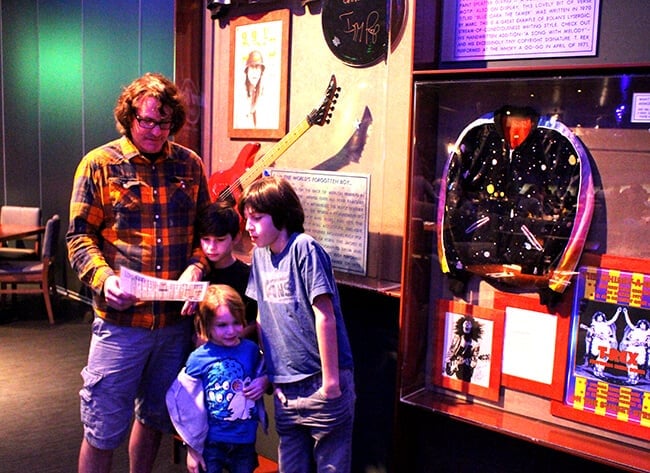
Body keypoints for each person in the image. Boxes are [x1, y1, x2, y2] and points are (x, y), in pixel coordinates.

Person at [66, 72, 212, 473]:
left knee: (153, 419)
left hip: (173, 324)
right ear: (129, 117)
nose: (155, 131)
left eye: (164, 123)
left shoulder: (189, 164)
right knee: (102, 428)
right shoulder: (98, 164)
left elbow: (207, 233)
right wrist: (104, 279)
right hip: (120, 324)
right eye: (146, 121)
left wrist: (197, 266)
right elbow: (79, 237)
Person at [237, 175, 356, 473]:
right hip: (286, 388)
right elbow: (262, 316)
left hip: (320, 380)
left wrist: (331, 383)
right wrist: (271, 374)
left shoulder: (305, 248)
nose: (249, 226)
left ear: (280, 215)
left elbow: (324, 315)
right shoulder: (259, 256)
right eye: (247, 218)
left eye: (257, 218)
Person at [166, 284, 268, 473]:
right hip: (211, 442)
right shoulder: (198, 358)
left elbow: (265, 372)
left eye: (236, 323)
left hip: (245, 441)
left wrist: (264, 381)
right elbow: (184, 404)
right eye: (222, 325)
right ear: (207, 325)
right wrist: (192, 448)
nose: (231, 331)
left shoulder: (251, 350)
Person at [198, 200, 258, 342]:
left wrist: (222, 338)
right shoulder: (197, 274)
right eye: (206, 239)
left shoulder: (247, 276)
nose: (211, 247)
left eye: (220, 240)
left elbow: (254, 321)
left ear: (236, 238)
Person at [233, 50, 276, 130]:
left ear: (261, 72)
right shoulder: (239, 94)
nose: (255, 73)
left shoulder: (265, 94)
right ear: (247, 71)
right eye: (252, 68)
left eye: (258, 68)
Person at [444, 315, 484, 382]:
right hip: (455, 367)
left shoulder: (475, 344)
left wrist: (467, 362)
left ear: (472, 327)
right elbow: (451, 351)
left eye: (469, 324)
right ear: (462, 326)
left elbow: (474, 360)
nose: (467, 325)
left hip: (466, 370)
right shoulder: (457, 338)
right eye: (465, 323)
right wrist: (449, 363)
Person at [619, 308, 650, 385]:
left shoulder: (648, 333)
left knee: (634, 364)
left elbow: (647, 343)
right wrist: (626, 313)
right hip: (631, 348)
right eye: (641, 324)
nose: (642, 326)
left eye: (644, 324)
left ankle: (634, 378)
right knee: (629, 363)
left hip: (640, 350)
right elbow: (629, 323)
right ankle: (630, 378)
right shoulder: (635, 330)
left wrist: (641, 343)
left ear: (646, 325)